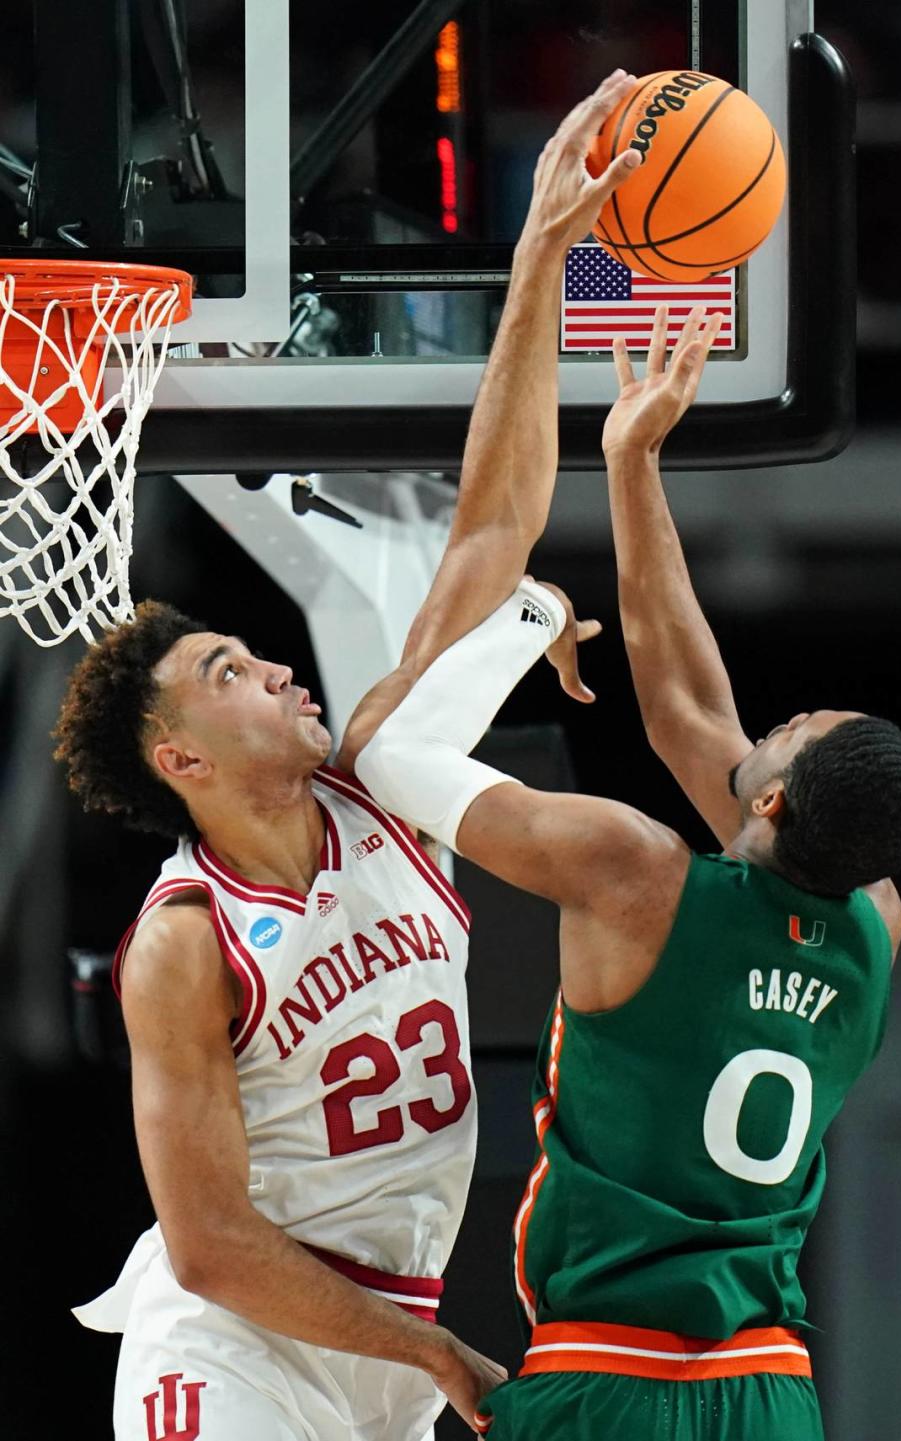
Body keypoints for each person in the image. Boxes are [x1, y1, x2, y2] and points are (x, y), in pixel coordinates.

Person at [53, 69, 645, 1441]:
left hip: (386, 1342)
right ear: (179, 759)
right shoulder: (188, 942)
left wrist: (547, 258)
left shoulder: (386, 772)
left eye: (254, 655)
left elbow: (489, 532)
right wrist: (434, 1355)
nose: (270, 664)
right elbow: (206, 1245)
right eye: (226, 675)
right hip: (235, 1348)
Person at [351, 308, 901, 1441]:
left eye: (802, 723)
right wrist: (632, 460)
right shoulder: (875, 920)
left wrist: (527, 615)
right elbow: (689, 717)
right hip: (768, 1388)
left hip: (608, 1374)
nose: (782, 714)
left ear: (769, 799)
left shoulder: (638, 872)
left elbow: (389, 755)